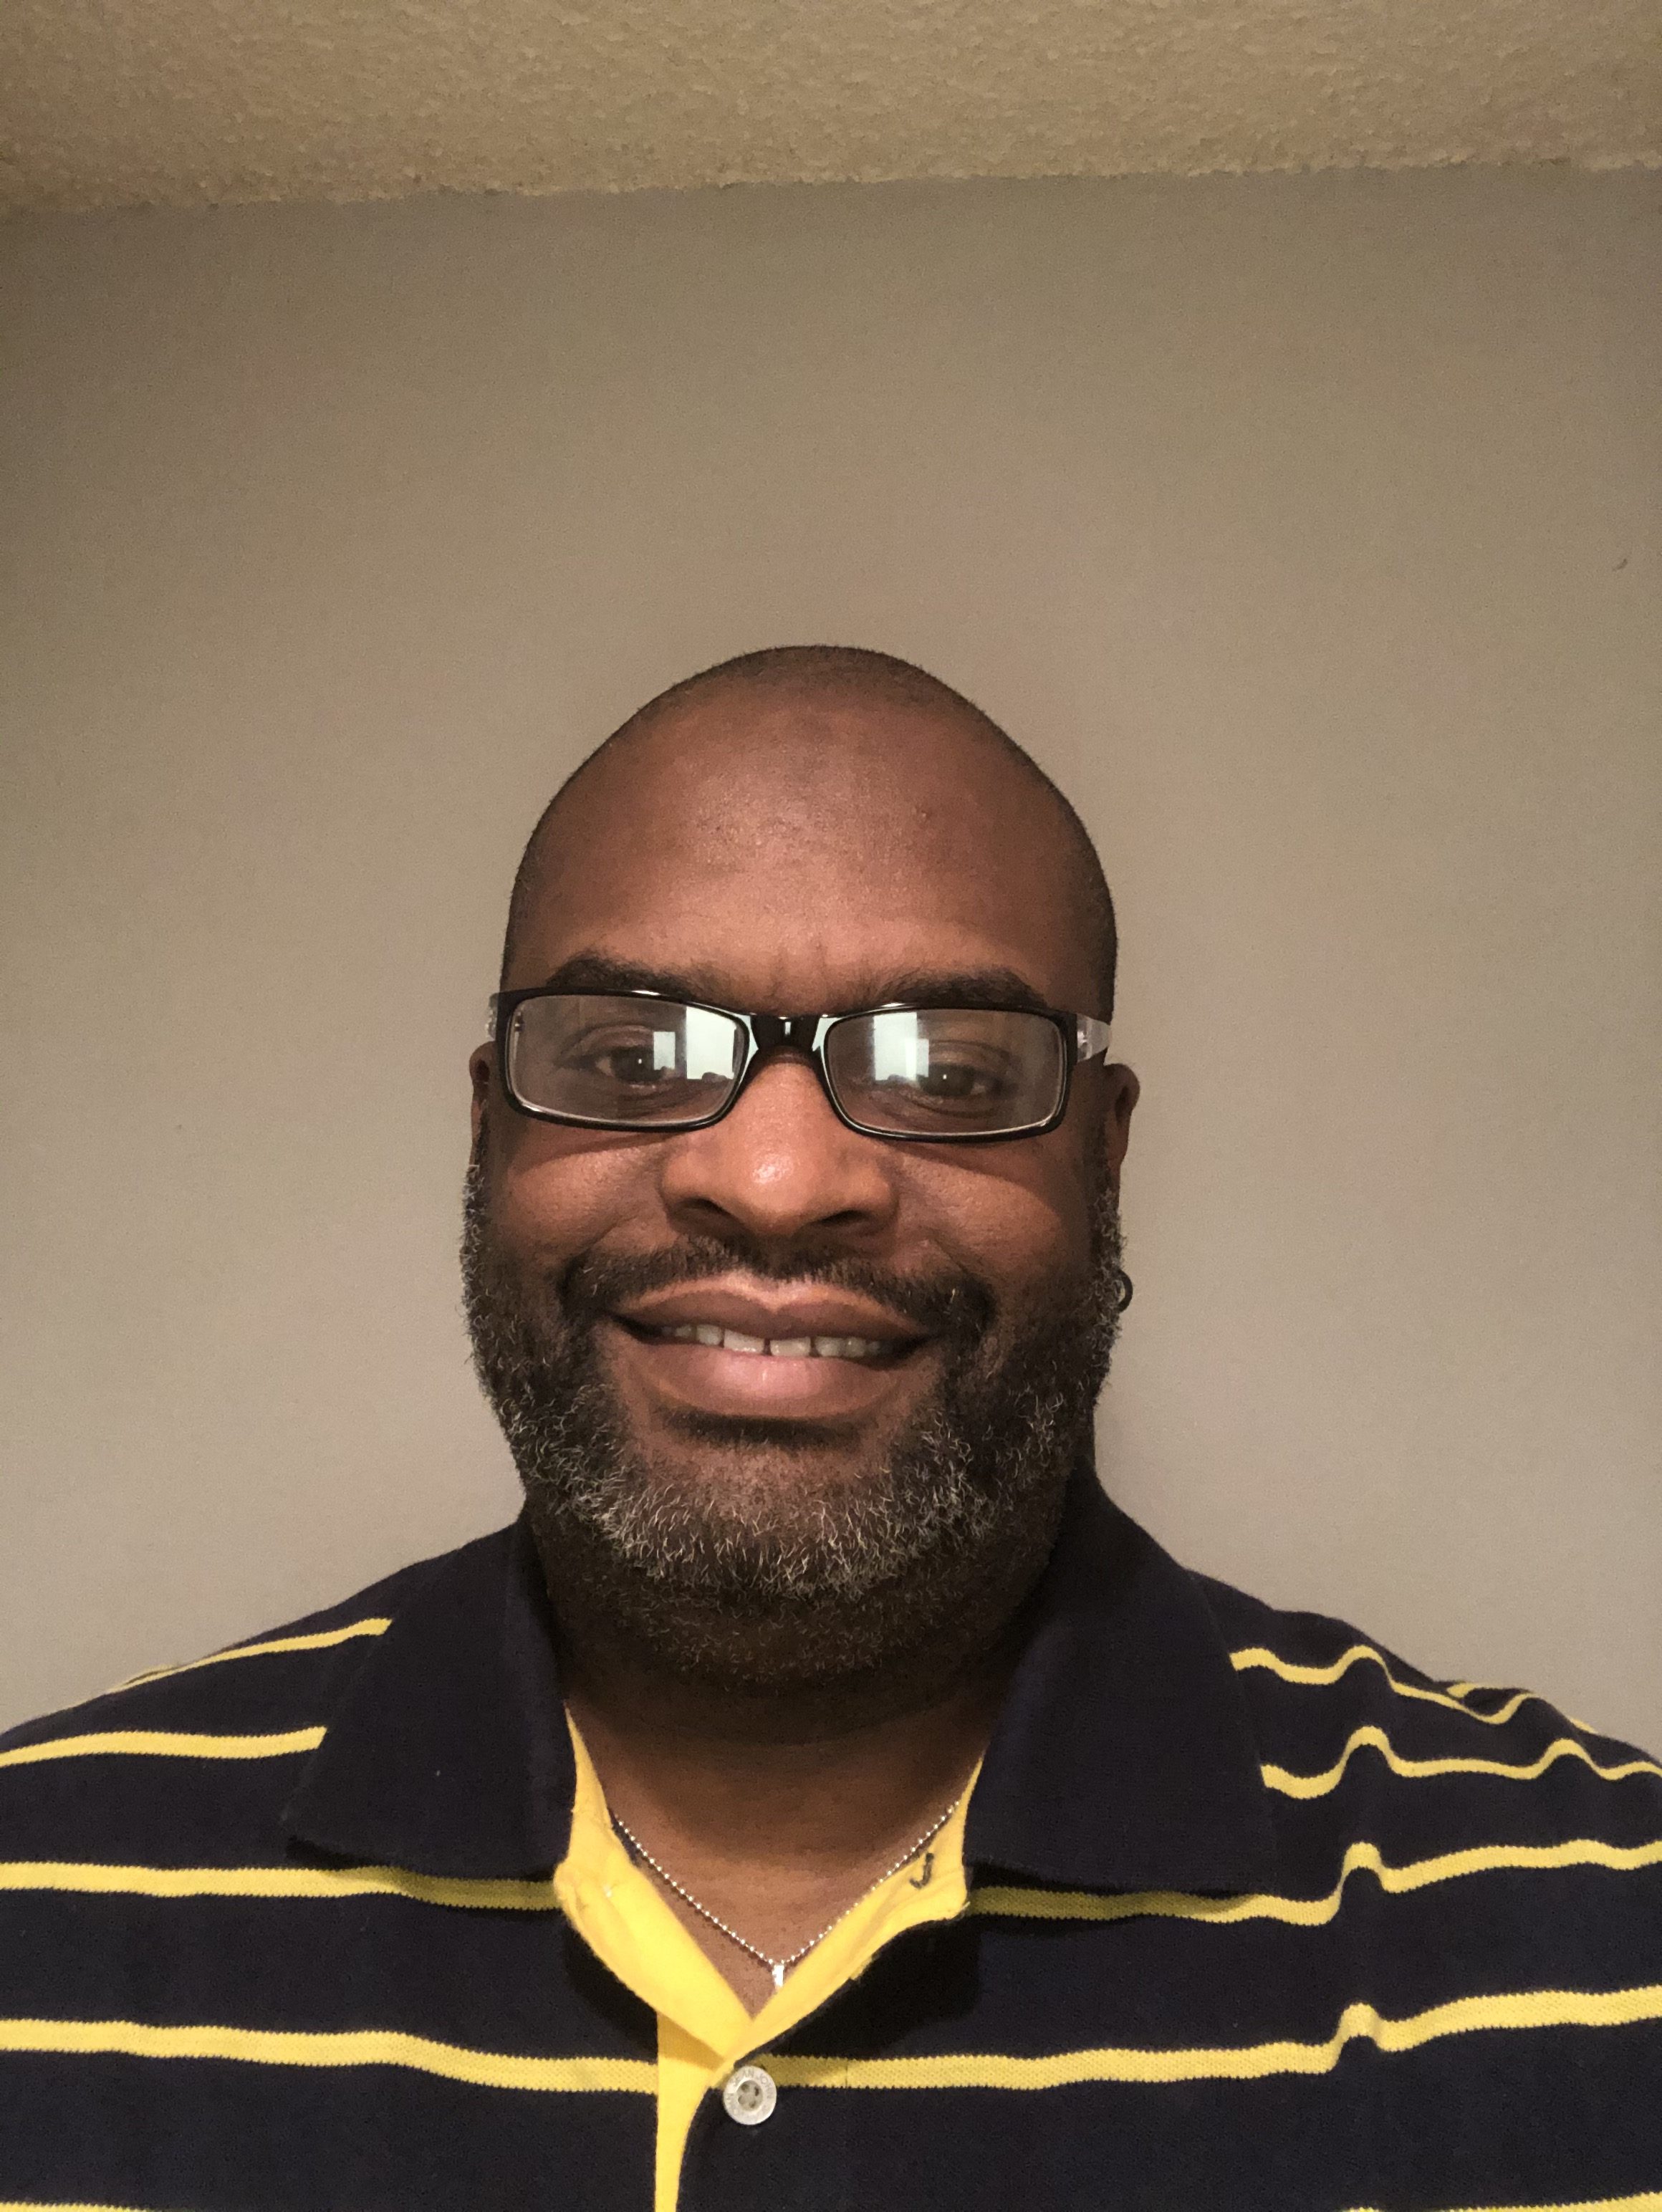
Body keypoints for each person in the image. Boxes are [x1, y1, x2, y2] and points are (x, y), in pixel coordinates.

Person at [1, 645, 1658, 2211]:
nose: (776, 1179)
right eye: (632, 1051)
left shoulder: (1588, 1948)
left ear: (1106, 1156)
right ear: (489, 1127)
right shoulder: (39, 1914)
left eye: (944, 1063)